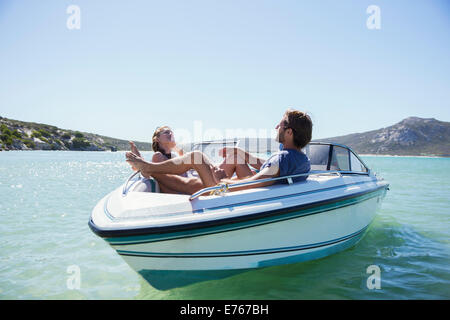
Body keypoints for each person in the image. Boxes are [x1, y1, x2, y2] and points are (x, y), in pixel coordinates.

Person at [126, 109, 312, 195]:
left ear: (289, 133)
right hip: (235, 189)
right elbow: (266, 173)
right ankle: (148, 169)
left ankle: (148, 169)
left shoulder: (283, 158)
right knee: (202, 165)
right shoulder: (301, 159)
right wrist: (240, 155)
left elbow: (258, 182)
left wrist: (222, 183)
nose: (276, 126)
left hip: (225, 193)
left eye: (281, 124)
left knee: (196, 157)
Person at [128, 126, 256, 195]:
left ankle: (251, 188)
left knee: (235, 159)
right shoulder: (158, 156)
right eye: (166, 133)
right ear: (157, 139)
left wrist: (175, 147)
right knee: (196, 156)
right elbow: (166, 180)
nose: (170, 134)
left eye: (171, 132)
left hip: (199, 183)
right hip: (188, 188)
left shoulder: (174, 155)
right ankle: (251, 188)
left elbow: (183, 157)